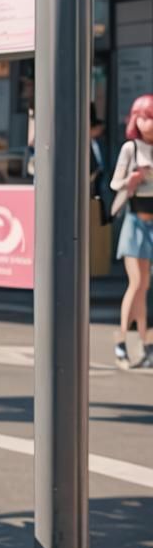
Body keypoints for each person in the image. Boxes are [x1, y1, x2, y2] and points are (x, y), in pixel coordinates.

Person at [109, 93, 153, 369]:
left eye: (150, 117)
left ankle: (145, 345)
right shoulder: (130, 148)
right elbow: (115, 184)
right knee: (136, 283)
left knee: (145, 287)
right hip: (135, 221)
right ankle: (121, 341)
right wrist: (133, 178)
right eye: (143, 116)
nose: (146, 122)